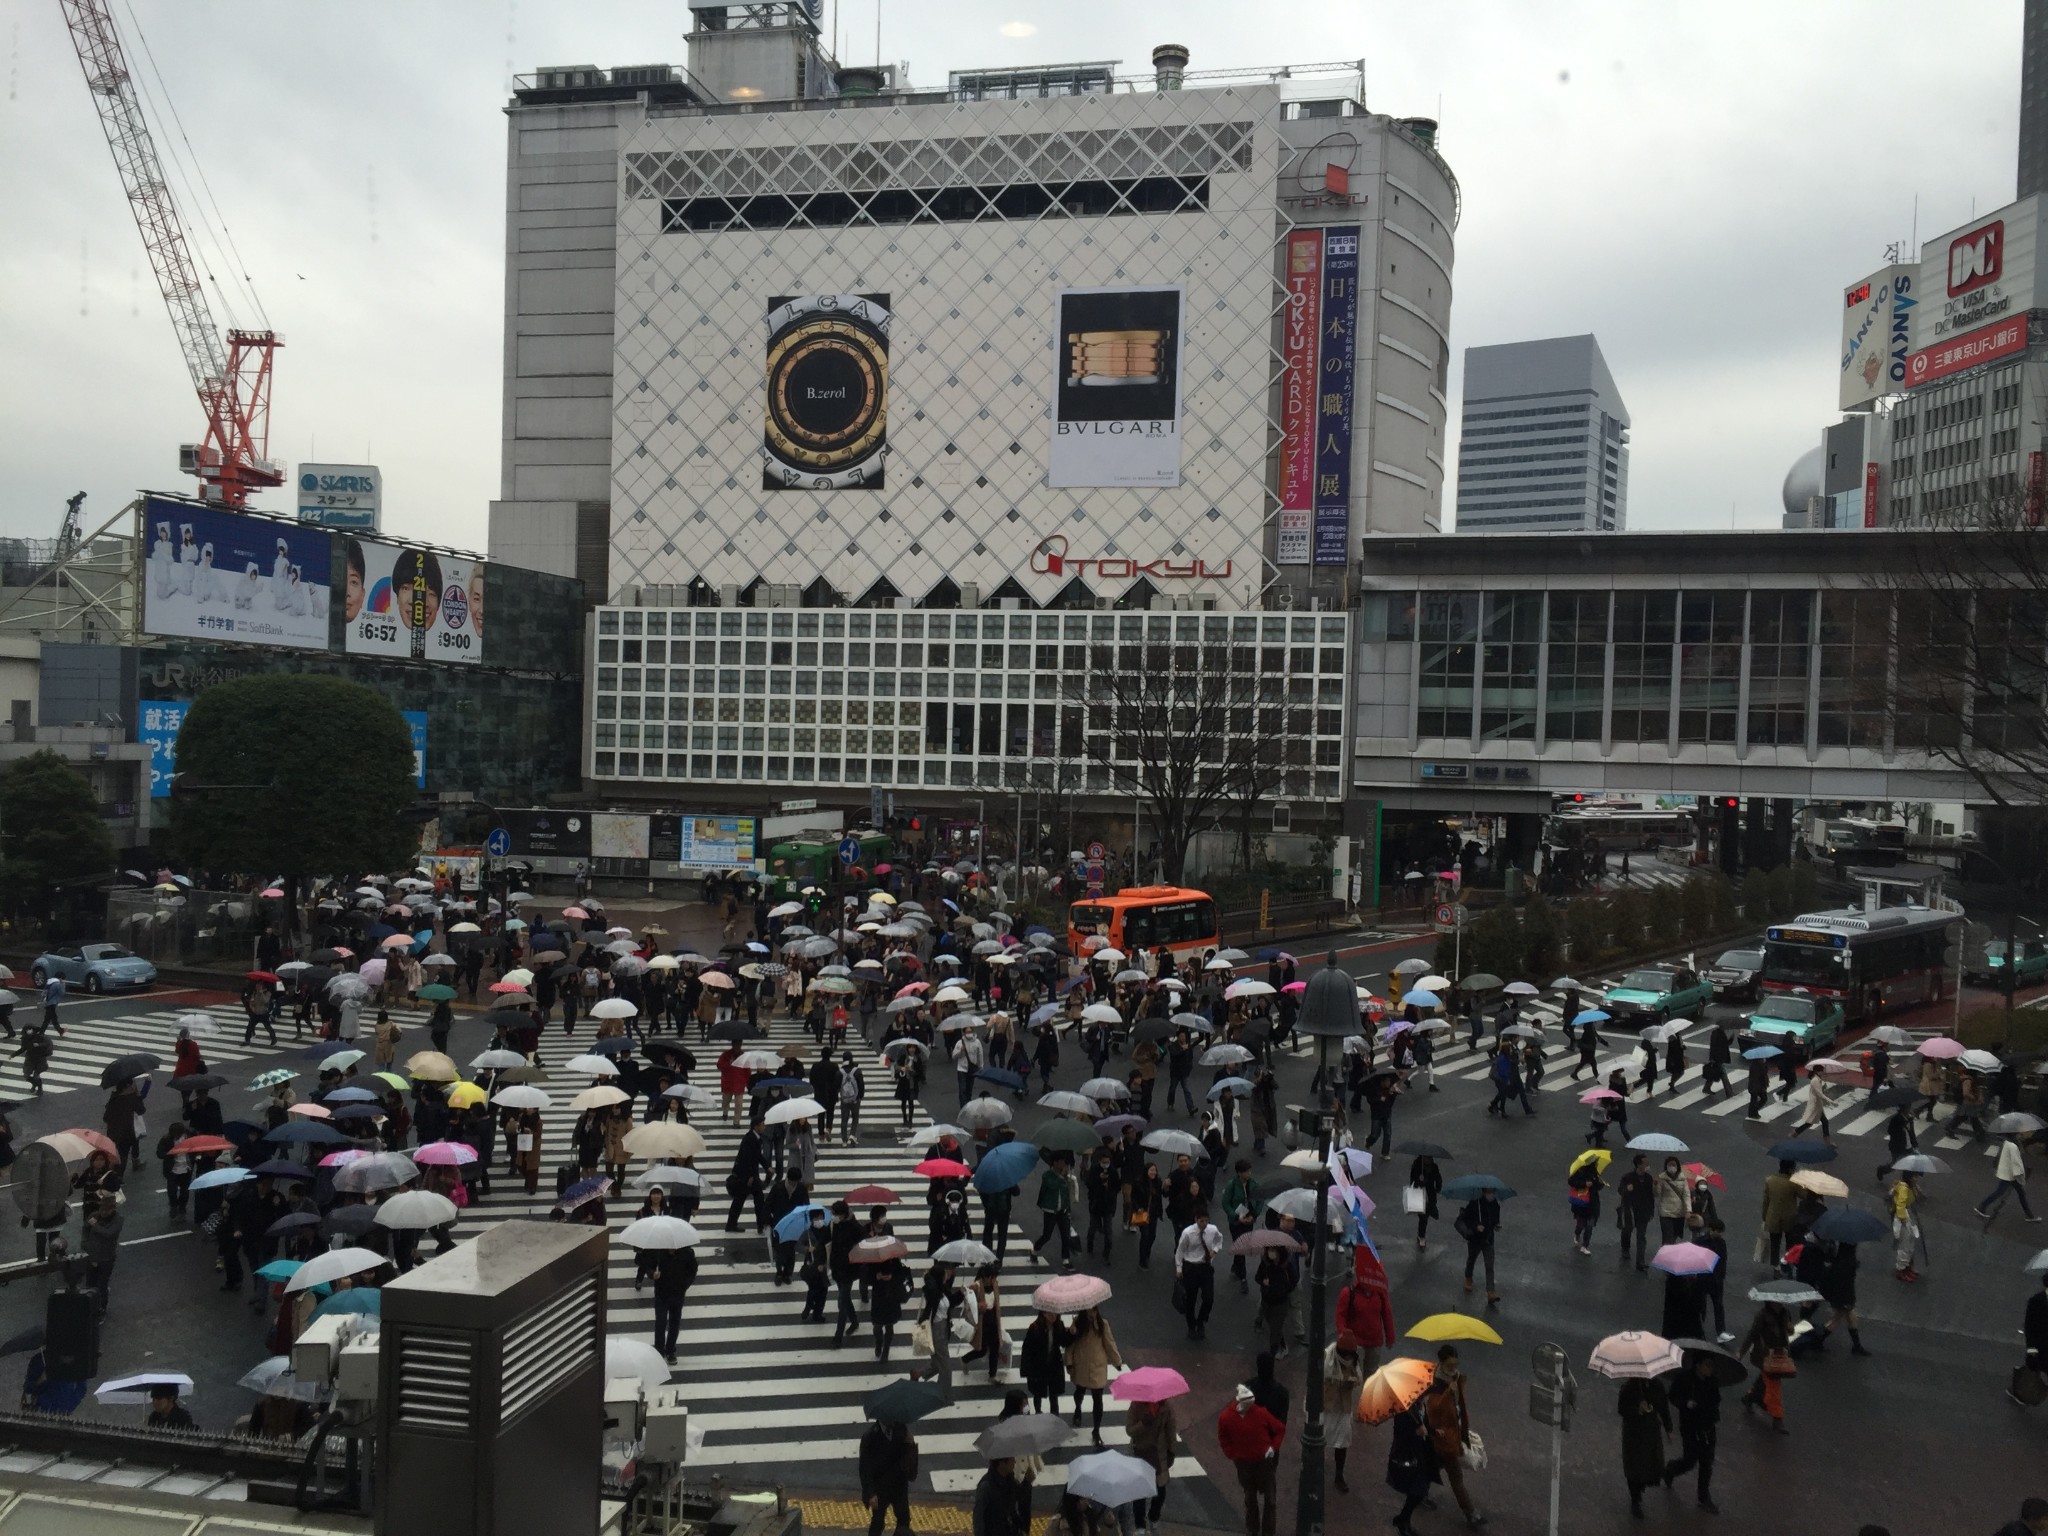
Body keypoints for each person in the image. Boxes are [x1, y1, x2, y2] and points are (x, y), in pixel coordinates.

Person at [1215, 1383, 1285, 1536]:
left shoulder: (1259, 1413)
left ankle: (1266, 1531)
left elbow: (1279, 1429)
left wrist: (1273, 1448)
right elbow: (1223, 1437)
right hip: (1246, 1464)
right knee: (1251, 1498)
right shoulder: (1227, 1417)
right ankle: (1253, 1529)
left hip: (1262, 1462)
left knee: (1268, 1500)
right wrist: (1231, 1453)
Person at [1662, 1351, 1721, 1513]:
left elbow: (1716, 1400)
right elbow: (1673, 1396)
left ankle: (1704, 1497)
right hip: (1690, 1427)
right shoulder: (1684, 1378)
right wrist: (1686, 1403)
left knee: (1706, 1464)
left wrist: (1712, 1412)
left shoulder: (1712, 1382)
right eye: (1707, 1365)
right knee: (1690, 1460)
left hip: (1708, 1427)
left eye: (1711, 1365)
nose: (1710, 1369)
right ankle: (1671, 1470)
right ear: (1698, 1365)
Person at [1063, 1306, 1121, 1444]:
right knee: (1079, 1392)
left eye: (1094, 1310)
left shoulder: (1102, 1324)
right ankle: (1078, 1409)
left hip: (1097, 1367)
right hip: (1081, 1365)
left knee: (1098, 1399)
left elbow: (1109, 1344)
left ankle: (1096, 1430)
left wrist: (1116, 1361)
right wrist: (1069, 1361)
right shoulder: (1077, 1323)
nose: (1092, 1313)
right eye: (1089, 1310)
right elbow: (1070, 1344)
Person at [1617, 1373, 1670, 1519]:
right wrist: (1638, 1410)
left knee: (1651, 1463)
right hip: (1634, 1434)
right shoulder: (1629, 1387)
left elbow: (1663, 1407)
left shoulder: (1656, 1385)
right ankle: (1635, 1499)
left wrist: (1668, 1426)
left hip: (1651, 1432)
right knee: (1634, 1466)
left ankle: (1641, 1486)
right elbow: (1622, 1409)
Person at [1386, 1393, 1440, 1536]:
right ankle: (1403, 1521)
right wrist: (1416, 1432)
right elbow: (1399, 1432)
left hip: (1421, 1455)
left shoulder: (1418, 1406)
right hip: (1408, 1455)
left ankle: (1403, 1520)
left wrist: (1433, 1432)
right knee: (1418, 1491)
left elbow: (1425, 1426)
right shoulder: (1404, 1410)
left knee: (1418, 1491)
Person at [1323, 1330, 1368, 1493]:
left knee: (1342, 1443)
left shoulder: (1354, 1361)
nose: (1348, 1358)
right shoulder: (1327, 1356)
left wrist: (1350, 1382)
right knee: (1320, 1438)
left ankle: (1339, 1475)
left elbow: (1358, 1378)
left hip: (1343, 1408)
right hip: (1325, 1406)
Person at [1738, 1301, 1793, 1432]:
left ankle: (1749, 1398)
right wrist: (1741, 1353)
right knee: (1774, 1386)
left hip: (1779, 1354)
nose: (1779, 1304)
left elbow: (1789, 1332)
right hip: (1764, 1355)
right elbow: (1752, 1334)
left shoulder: (1786, 1313)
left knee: (1765, 1381)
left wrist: (1790, 1328)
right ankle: (1777, 1418)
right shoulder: (1762, 1316)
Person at [859, 1417, 918, 1536]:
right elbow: (865, 1468)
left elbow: (908, 1460)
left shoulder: (901, 1430)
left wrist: (911, 1445)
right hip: (880, 1486)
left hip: (899, 1485)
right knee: (878, 1522)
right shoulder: (870, 1436)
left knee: (904, 1519)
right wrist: (871, 1493)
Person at [1125, 1395, 1177, 1529]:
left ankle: (1153, 1516)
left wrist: (1171, 1451)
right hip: (1140, 1453)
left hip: (1158, 1455)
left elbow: (1171, 1431)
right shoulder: (1136, 1405)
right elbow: (1129, 1430)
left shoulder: (1166, 1407)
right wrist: (1143, 1423)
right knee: (1140, 1493)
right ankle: (1140, 1526)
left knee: (1160, 1491)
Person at [1174, 1205, 1224, 1339]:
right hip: (1191, 1267)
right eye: (1201, 1221)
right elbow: (1180, 1251)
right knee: (1191, 1299)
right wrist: (1179, 1268)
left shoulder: (1212, 1230)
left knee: (1209, 1298)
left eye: (1206, 1221)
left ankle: (1201, 1321)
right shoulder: (1187, 1233)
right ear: (1196, 1220)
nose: (1204, 1224)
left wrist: (1215, 1250)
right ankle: (1191, 1326)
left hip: (1205, 1267)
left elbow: (1219, 1240)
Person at [1976, 1134, 2041, 1222]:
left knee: (2019, 1193)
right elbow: (2016, 1164)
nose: (2021, 1135)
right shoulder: (2013, 1146)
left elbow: (2001, 1157)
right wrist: (2021, 1177)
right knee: (2001, 1192)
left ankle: (2029, 1215)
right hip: (2010, 1174)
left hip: (2008, 1172)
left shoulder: (2007, 1142)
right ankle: (1982, 1206)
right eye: (2019, 1134)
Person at [651, 1242, 697, 1363]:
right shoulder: (658, 1253)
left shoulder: (687, 1253)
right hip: (662, 1294)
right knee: (660, 1323)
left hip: (678, 1294)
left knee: (674, 1323)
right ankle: (659, 1350)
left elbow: (692, 1271)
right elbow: (648, 1266)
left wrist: (684, 1285)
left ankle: (671, 1350)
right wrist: (652, 1274)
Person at [1456, 1189, 1503, 1306]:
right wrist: (1476, 1226)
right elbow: (1466, 1220)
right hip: (1475, 1239)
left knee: (1489, 1265)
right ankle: (1468, 1277)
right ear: (1484, 1192)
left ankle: (1490, 1291)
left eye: (1492, 1191)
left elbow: (1495, 1219)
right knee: (1471, 1260)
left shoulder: (1495, 1205)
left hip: (1488, 1239)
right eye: (1489, 1191)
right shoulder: (1474, 1204)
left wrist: (1496, 1225)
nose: (1491, 1194)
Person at [1021, 1309, 1070, 1415]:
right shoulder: (1035, 1328)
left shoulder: (1059, 1326)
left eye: (1055, 1312)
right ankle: (1038, 1412)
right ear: (1043, 1314)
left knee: (1054, 1395)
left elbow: (1064, 1342)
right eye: (1050, 1313)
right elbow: (1027, 1350)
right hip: (1038, 1366)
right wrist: (1027, 1370)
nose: (1053, 1315)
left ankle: (1055, 1416)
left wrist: (1072, 1333)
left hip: (1054, 1365)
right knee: (1037, 1393)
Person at [1031, 1152, 1075, 1262]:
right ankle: (1035, 1249)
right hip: (1050, 1210)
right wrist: (1061, 1177)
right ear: (1055, 1163)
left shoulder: (1065, 1176)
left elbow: (1066, 1194)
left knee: (1065, 1236)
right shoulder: (1047, 1175)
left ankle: (1066, 1259)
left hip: (1063, 1211)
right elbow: (1053, 1186)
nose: (1063, 1165)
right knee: (1047, 1235)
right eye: (1061, 1162)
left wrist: (1068, 1209)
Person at [1616, 1153, 1655, 1271]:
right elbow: (1620, 1190)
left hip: (1643, 1212)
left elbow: (1650, 1196)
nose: (1648, 1165)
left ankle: (1640, 1261)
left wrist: (1651, 1211)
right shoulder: (1628, 1177)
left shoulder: (1648, 1178)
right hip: (1630, 1210)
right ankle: (1625, 1248)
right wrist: (1626, 1190)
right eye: (1645, 1163)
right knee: (1627, 1230)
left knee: (1641, 1236)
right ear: (1639, 1165)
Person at [1760, 1160, 1800, 1265]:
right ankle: (1788, 1266)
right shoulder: (1793, 1183)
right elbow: (1803, 1195)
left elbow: (1766, 1201)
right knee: (1790, 1244)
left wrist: (1764, 1216)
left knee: (1775, 1245)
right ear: (1790, 1169)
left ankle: (1775, 1267)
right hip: (1790, 1218)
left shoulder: (1770, 1180)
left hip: (1773, 1217)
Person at [1889, 1172, 1923, 1282]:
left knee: (1909, 1245)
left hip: (1908, 1217)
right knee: (1905, 1246)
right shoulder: (1904, 1188)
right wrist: (1904, 1220)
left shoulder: (1909, 1187)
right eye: (1915, 1176)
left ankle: (1907, 1267)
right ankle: (1901, 1270)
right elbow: (1901, 1205)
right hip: (1903, 1220)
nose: (1916, 1179)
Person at [1408, 1152, 1443, 1250]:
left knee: (1426, 1215)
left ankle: (1421, 1234)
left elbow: (1438, 1178)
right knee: (1423, 1217)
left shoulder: (1434, 1167)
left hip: (1430, 1194)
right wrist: (1419, 1181)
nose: (1427, 1159)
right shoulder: (1417, 1166)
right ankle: (1421, 1236)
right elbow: (1412, 1180)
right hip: (1419, 1194)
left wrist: (1438, 1188)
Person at [1654, 1155, 1689, 1245]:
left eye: (1674, 1165)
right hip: (1666, 1213)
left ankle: (1669, 1253)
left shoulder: (1683, 1179)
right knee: (1667, 1238)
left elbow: (1686, 1195)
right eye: (1670, 1165)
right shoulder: (1661, 1178)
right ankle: (1665, 1255)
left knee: (1674, 1236)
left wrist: (1688, 1210)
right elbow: (1657, 1194)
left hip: (1679, 1213)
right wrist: (1656, 1185)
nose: (1672, 1167)